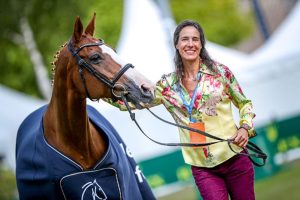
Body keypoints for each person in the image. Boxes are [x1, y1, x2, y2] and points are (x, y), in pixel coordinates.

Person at [106, 19, 256, 200]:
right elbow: (132, 103)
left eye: (195, 39)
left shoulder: (221, 73)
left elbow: (244, 103)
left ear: (201, 44)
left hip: (235, 157)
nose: (190, 44)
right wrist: (102, 93)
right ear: (177, 44)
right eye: (185, 39)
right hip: (203, 168)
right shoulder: (166, 85)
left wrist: (245, 127)